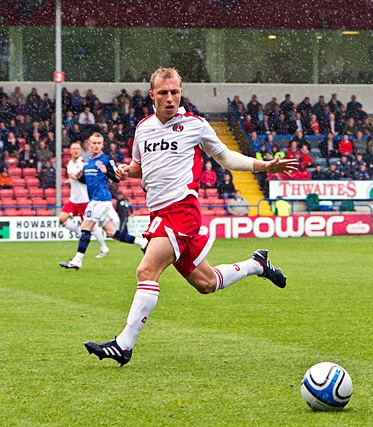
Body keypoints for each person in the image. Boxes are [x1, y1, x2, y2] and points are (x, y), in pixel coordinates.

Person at [82, 67, 298, 366]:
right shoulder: (143, 128)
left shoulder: (195, 125)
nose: (169, 98)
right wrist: (123, 172)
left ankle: (123, 345)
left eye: (174, 92)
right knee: (206, 283)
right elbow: (139, 167)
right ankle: (256, 264)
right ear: (152, 95)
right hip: (159, 210)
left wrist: (263, 166)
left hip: (181, 209)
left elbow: (224, 156)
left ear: (180, 93)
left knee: (146, 271)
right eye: (163, 93)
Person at [59, 133, 147, 269]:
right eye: (94, 143)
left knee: (85, 227)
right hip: (95, 199)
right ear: (89, 145)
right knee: (111, 232)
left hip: (101, 199)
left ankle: (77, 261)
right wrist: (77, 178)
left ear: (102, 145)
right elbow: (86, 180)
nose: (96, 146)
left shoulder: (105, 160)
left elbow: (117, 178)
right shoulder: (87, 161)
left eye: (99, 143)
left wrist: (106, 172)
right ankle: (142, 243)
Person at [58, 141, 110, 256]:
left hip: (85, 200)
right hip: (73, 199)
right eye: (74, 148)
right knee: (62, 219)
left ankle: (103, 247)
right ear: (70, 151)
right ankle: (78, 232)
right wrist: (69, 180)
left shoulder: (84, 163)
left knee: (92, 227)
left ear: (80, 151)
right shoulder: (69, 164)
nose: (76, 150)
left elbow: (87, 180)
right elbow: (74, 178)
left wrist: (75, 178)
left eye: (78, 148)